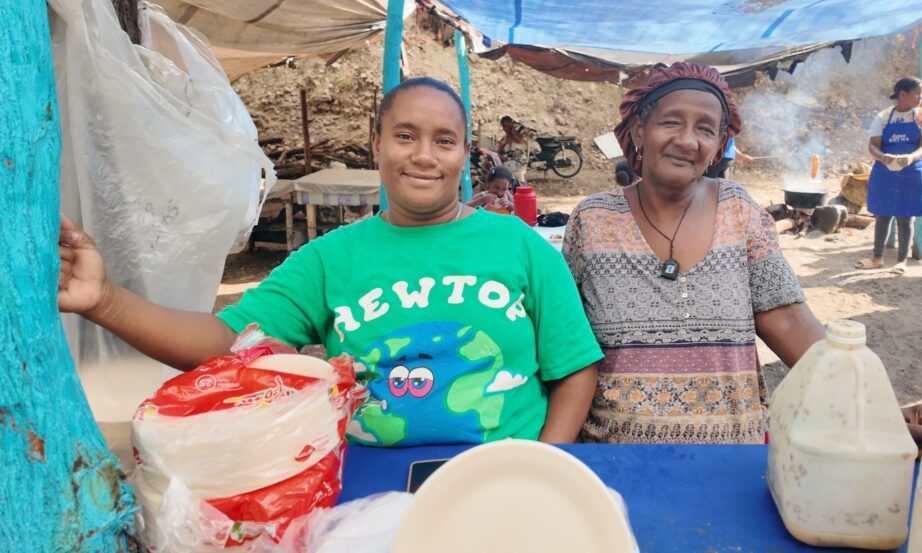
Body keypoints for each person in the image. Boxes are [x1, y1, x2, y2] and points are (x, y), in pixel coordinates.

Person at [59, 77, 603, 447]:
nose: (423, 155)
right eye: (405, 136)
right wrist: (105, 301)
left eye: (444, 141)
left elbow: (574, 367)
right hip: (366, 481)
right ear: (377, 144)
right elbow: (227, 343)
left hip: (502, 476)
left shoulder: (521, 246)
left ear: (464, 154)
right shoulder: (329, 258)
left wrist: (544, 463)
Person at [563, 62, 922, 448]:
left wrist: (879, 412)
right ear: (638, 131)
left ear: (718, 147)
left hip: (735, 458)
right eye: (671, 122)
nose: (687, 141)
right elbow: (562, 344)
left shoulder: (738, 210)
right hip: (614, 460)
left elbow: (790, 322)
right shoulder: (593, 220)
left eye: (705, 129)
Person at [856, 77, 922, 274]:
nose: (921, 98)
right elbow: (873, 145)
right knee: (882, 215)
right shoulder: (883, 117)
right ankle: (877, 258)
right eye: (918, 94)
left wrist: (911, 157)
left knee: (905, 216)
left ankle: (901, 262)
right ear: (903, 94)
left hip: (912, 172)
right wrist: (883, 157)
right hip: (885, 173)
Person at [497, 115, 530, 183]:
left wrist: (514, 132)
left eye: (509, 126)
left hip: (519, 164)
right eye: (505, 126)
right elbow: (498, 152)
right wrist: (501, 156)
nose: (507, 128)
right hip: (508, 164)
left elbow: (520, 141)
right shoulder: (504, 139)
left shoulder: (519, 136)